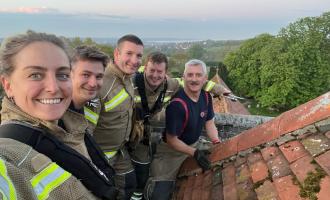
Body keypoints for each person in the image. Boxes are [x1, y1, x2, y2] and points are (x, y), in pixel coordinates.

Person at [0, 31, 116, 199]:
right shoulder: (8, 152)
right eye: (35, 75)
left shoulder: (68, 124)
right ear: (8, 84)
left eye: (62, 74)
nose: (53, 88)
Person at [129, 52, 230, 199]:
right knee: (159, 195)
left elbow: (209, 122)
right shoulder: (178, 105)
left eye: (198, 75)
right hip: (171, 153)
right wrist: (194, 153)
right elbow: (171, 140)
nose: (194, 79)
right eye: (190, 75)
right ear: (183, 77)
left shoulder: (206, 97)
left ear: (205, 79)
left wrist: (216, 141)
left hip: (193, 145)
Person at [84, 34, 144, 200]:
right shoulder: (101, 83)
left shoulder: (129, 78)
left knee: (130, 185)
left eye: (139, 55)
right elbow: (85, 132)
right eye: (129, 54)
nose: (135, 60)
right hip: (101, 158)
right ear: (117, 54)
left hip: (120, 152)